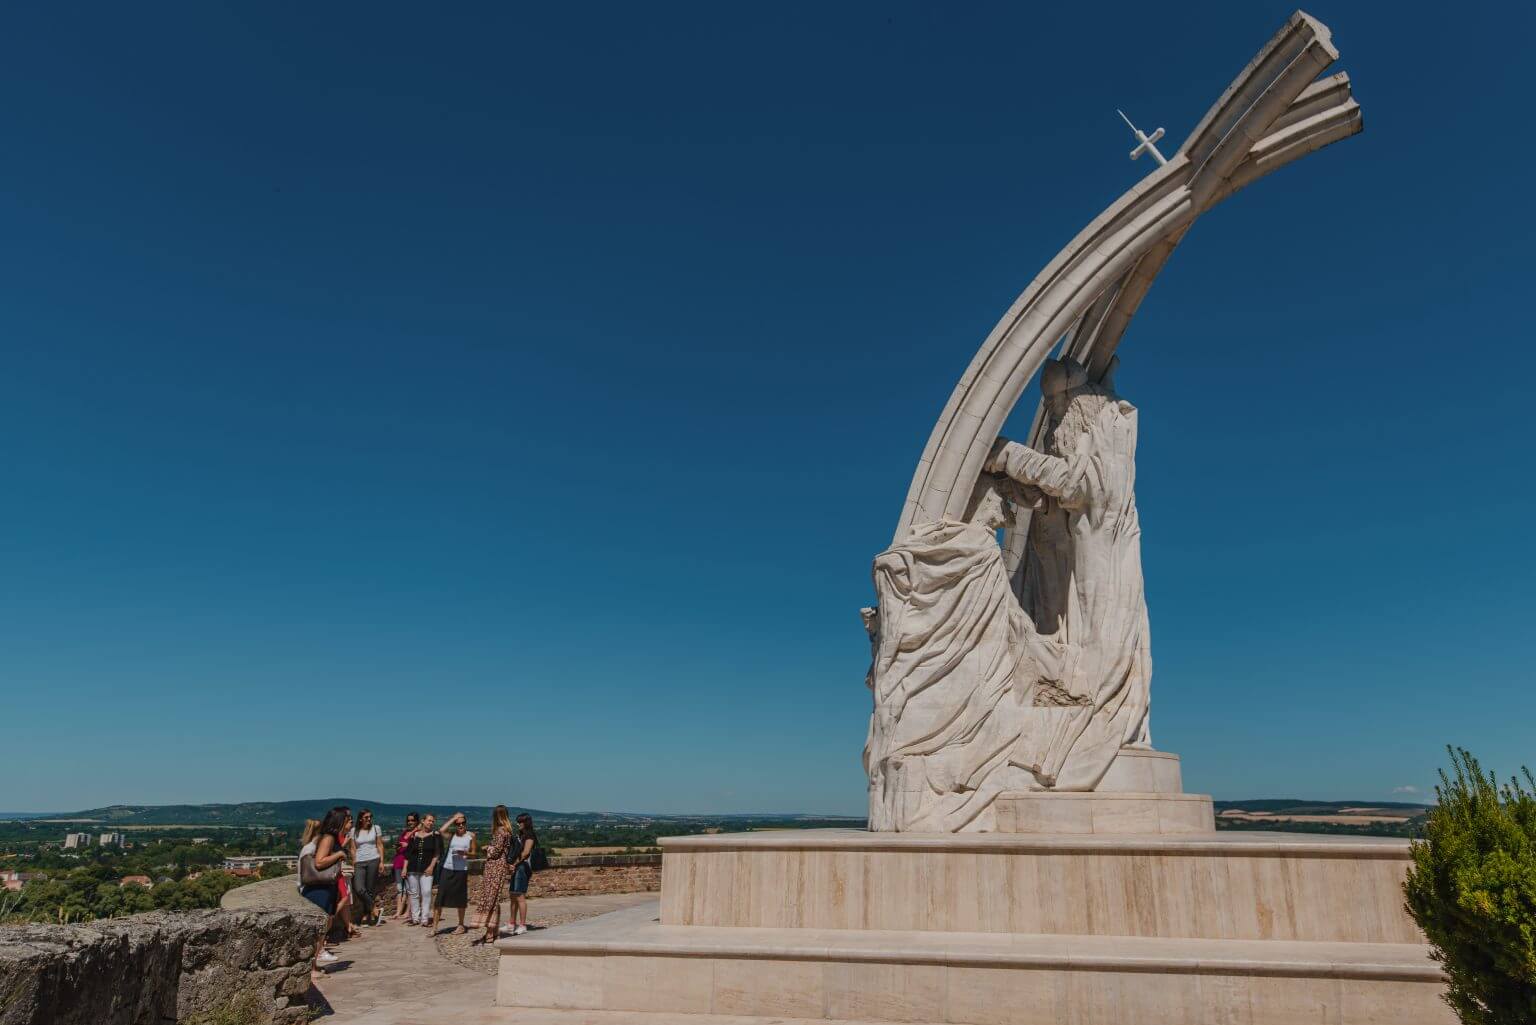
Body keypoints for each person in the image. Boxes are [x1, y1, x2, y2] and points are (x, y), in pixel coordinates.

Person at [299, 811, 348, 972]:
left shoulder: (326, 837)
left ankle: (313, 967)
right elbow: (319, 862)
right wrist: (340, 854)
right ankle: (311, 969)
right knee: (318, 929)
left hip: (325, 887)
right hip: (320, 889)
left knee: (321, 929)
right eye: (346, 820)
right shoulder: (328, 838)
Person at [431, 812, 476, 935]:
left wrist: (465, 853)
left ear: (466, 824)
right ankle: (434, 928)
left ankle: (461, 925)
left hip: (461, 870)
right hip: (447, 869)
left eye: (463, 823)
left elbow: (474, 853)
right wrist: (453, 818)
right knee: (440, 898)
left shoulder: (471, 836)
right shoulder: (451, 835)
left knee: (460, 899)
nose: (460, 825)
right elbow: (441, 830)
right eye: (458, 824)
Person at [473, 806, 512, 945]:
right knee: (493, 899)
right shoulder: (506, 831)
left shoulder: (500, 831)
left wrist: (486, 848)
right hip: (498, 867)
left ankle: (490, 932)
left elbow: (495, 852)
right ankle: (493, 930)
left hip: (495, 867)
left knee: (490, 898)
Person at [403, 812, 441, 926]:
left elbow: (437, 853)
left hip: (427, 869)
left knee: (426, 892)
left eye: (433, 821)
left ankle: (424, 919)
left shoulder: (435, 835)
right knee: (414, 893)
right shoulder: (414, 836)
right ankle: (415, 918)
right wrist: (405, 868)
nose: (431, 823)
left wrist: (431, 867)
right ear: (423, 821)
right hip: (412, 868)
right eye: (429, 820)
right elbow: (408, 854)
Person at [348, 808, 384, 927]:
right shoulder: (354, 831)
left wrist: (382, 862)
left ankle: (367, 915)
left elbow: (379, 845)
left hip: (374, 859)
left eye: (370, 817)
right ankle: (375, 909)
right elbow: (352, 848)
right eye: (366, 817)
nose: (369, 819)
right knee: (359, 888)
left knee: (369, 890)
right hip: (359, 861)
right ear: (360, 818)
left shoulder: (376, 828)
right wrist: (354, 862)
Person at [507, 812, 538, 936]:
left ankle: (522, 925)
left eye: (520, 822)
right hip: (518, 867)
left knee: (520, 896)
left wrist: (514, 863)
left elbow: (525, 853)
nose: (518, 824)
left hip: (523, 867)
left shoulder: (529, 835)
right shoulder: (522, 835)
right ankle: (511, 923)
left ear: (526, 823)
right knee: (513, 895)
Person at [391, 813, 418, 920]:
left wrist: (407, 845)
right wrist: (398, 846)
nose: (410, 822)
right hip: (398, 862)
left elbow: (417, 849)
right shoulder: (404, 833)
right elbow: (400, 846)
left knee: (409, 889)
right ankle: (398, 912)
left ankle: (408, 912)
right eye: (408, 820)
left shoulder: (417, 834)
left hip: (409, 863)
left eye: (412, 820)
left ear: (416, 821)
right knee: (399, 889)